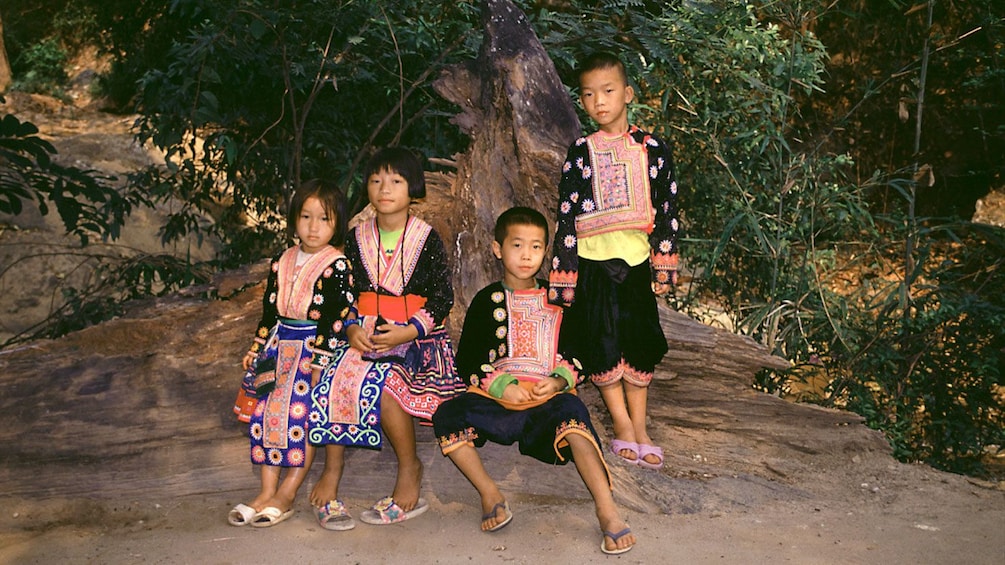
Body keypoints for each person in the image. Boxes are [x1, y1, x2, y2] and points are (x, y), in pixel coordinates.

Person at [433, 206, 637, 555]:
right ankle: (490, 493)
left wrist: (559, 381)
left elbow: (581, 352)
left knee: (575, 419)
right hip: (499, 401)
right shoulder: (486, 301)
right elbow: (467, 359)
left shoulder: (560, 299)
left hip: (548, 401)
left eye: (536, 247)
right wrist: (501, 385)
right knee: (447, 416)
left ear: (546, 251)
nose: (526, 255)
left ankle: (606, 509)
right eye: (517, 245)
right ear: (498, 249)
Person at [307, 146, 465, 529]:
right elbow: (343, 294)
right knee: (332, 379)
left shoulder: (426, 239)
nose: (384, 189)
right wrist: (352, 327)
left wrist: (407, 331)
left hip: (413, 337)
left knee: (388, 387)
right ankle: (333, 468)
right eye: (376, 180)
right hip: (365, 332)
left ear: (415, 190)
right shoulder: (357, 237)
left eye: (395, 181)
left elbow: (443, 296)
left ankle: (409, 467)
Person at [548, 51, 680, 470]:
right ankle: (622, 426)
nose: (599, 102)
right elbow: (566, 211)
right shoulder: (580, 151)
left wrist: (664, 260)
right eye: (588, 95)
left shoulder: (653, 149)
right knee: (602, 342)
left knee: (638, 340)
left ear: (628, 93)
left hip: (638, 262)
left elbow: (668, 207)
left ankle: (641, 428)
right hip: (592, 263)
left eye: (607, 91)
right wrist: (564, 269)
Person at [228, 179, 355, 528]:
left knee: (301, 418)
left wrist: (321, 359)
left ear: (337, 224)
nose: (314, 228)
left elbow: (337, 317)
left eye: (324, 219)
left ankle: (288, 491)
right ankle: (264, 492)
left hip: (311, 351)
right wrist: (257, 346)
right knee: (267, 414)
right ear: (294, 219)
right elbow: (269, 312)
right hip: (278, 346)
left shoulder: (337, 265)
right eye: (306, 217)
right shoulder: (281, 261)